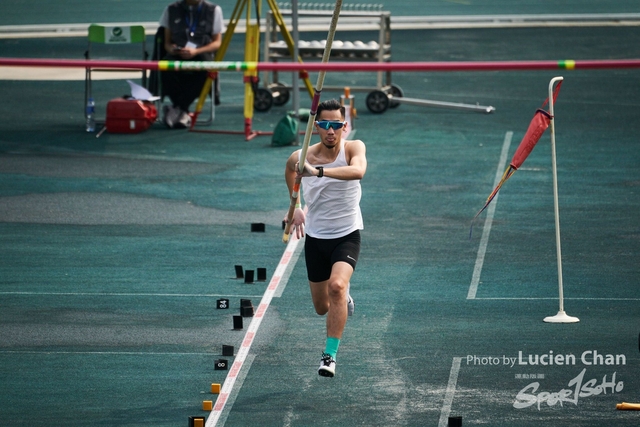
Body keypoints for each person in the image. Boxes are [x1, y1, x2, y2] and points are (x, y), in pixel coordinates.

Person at [284, 99, 367, 377]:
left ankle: (329, 356)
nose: (331, 131)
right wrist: (294, 207)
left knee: (337, 286)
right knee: (322, 307)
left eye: (336, 125)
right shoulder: (301, 156)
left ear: (345, 126)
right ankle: (342, 298)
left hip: (347, 235)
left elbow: (358, 171)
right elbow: (289, 171)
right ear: (316, 126)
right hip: (316, 239)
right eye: (325, 125)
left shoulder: (353, 147)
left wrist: (316, 172)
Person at [159, 0, 223, 128]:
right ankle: (182, 111)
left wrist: (196, 51)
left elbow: (217, 43)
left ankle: (179, 108)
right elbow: (167, 42)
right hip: (177, 54)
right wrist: (173, 49)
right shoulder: (170, 9)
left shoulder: (214, 10)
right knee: (164, 66)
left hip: (202, 53)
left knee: (207, 71)